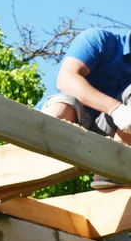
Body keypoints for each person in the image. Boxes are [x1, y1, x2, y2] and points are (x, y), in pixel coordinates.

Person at [36, 27, 131, 189]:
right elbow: (66, 79)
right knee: (65, 103)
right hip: (60, 120)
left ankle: (113, 168)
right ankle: (38, 149)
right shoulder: (99, 40)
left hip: (101, 132)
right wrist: (116, 109)